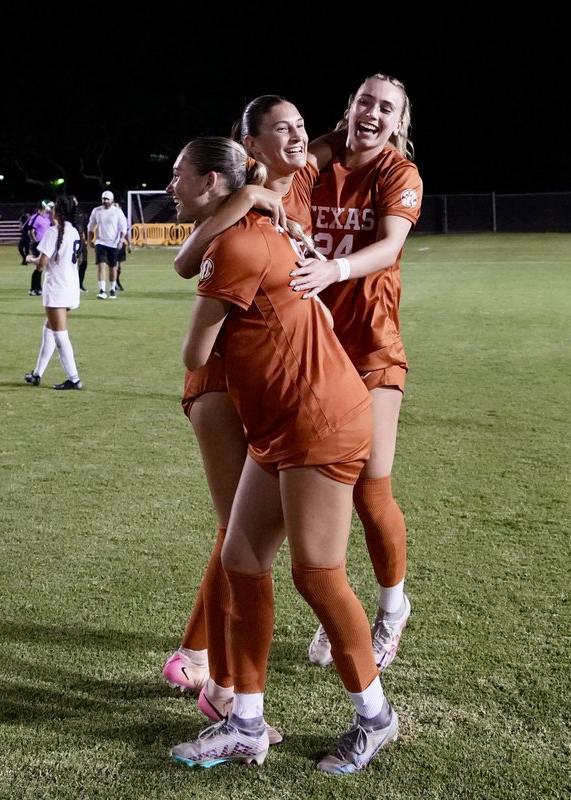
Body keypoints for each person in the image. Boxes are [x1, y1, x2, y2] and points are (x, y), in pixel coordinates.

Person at [167, 136, 397, 775]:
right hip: (287, 418)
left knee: (317, 574)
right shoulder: (260, 221)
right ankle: (244, 722)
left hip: (316, 419)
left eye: (179, 176)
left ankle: (376, 718)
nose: (170, 188)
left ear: (213, 182)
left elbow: (193, 355)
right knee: (241, 557)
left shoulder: (237, 243)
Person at [162, 94, 333, 712]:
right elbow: (186, 263)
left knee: (248, 533)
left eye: (302, 127)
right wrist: (250, 199)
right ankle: (215, 676)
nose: (298, 137)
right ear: (251, 147)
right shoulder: (247, 196)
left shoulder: (299, 185)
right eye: (280, 129)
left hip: (272, 382)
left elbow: (344, 139)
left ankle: (214, 668)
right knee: (242, 535)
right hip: (218, 379)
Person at [286, 73, 423, 674]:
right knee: (322, 490)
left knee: (370, 486)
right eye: (365, 101)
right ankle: (337, 613)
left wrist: (334, 270)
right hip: (314, 347)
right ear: (349, 108)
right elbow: (280, 183)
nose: (373, 112)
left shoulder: (398, 173)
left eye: (385, 108)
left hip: (371, 346)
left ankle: (392, 609)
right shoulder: (317, 155)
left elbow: (389, 248)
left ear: (398, 123)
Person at [22, 195, 84, 391]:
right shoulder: (74, 231)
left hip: (57, 288)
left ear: (56, 212)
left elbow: (42, 263)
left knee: (59, 334)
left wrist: (31, 259)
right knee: (49, 329)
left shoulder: (53, 232)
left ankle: (74, 378)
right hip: (71, 287)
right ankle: (37, 373)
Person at [86, 190, 129, 299]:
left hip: (114, 244)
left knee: (113, 268)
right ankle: (102, 290)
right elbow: (91, 227)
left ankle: (112, 289)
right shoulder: (97, 211)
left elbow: (123, 227)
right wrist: (90, 240)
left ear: (112, 200)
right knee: (101, 265)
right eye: (103, 199)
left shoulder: (117, 212)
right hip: (101, 242)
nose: (105, 201)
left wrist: (121, 241)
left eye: (107, 199)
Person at [27, 201, 53, 295]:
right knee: (39, 266)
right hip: (38, 244)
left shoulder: (47, 217)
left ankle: (37, 288)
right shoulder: (35, 217)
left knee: (41, 267)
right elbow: (31, 231)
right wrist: (35, 242)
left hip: (46, 244)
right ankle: (34, 289)